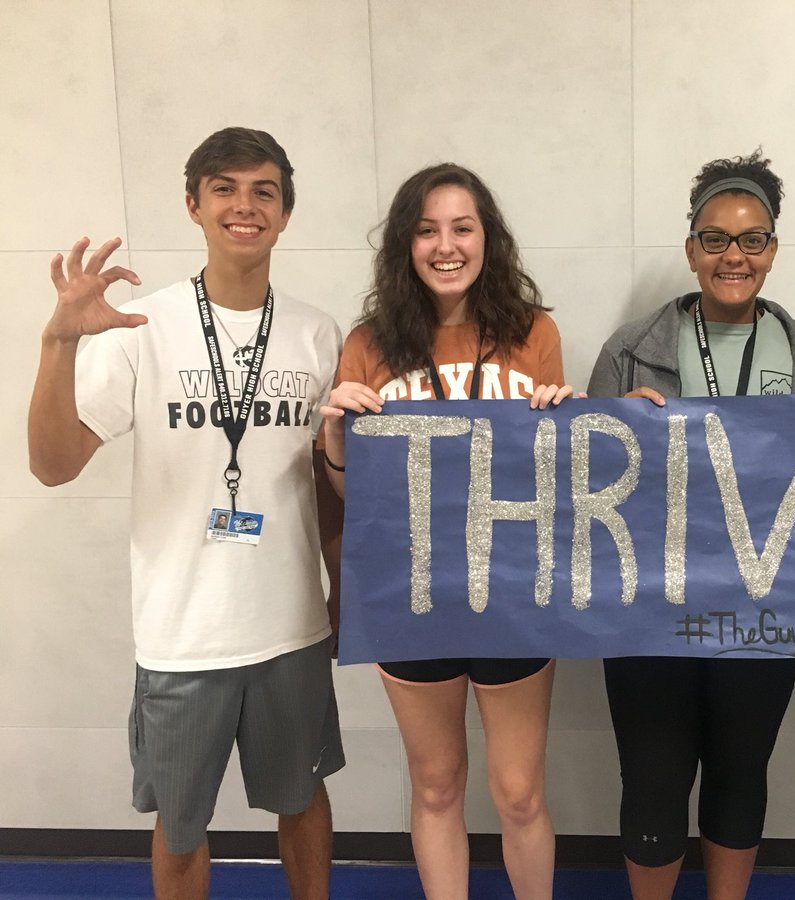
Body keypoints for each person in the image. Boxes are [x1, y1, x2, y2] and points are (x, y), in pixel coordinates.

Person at [27, 127, 345, 900]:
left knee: (302, 800)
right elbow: (53, 465)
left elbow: (326, 480)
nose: (245, 206)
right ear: (194, 205)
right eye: (224, 189)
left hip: (291, 627)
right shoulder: (141, 328)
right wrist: (58, 342)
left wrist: (341, 593)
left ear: (286, 212)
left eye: (264, 191)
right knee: (179, 824)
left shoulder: (317, 333)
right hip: (182, 635)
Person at [587, 149, 795, 900]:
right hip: (648, 608)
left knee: (740, 769)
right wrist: (609, 428)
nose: (735, 255)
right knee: (653, 777)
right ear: (692, 248)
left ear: (773, 248)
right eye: (716, 238)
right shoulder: (630, 350)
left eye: (752, 239)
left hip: (766, 607)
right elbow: (582, 486)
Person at [320, 163, 571, 900]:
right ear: (406, 243)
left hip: (513, 591)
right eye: (427, 230)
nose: (446, 245)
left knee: (519, 791)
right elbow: (353, 495)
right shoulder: (369, 343)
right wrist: (335, 439)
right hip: (411, 595)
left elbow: (552, 479)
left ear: (488, 238)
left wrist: (566, 423)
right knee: (436, 785)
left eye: (462, 228)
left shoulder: (533, 333)